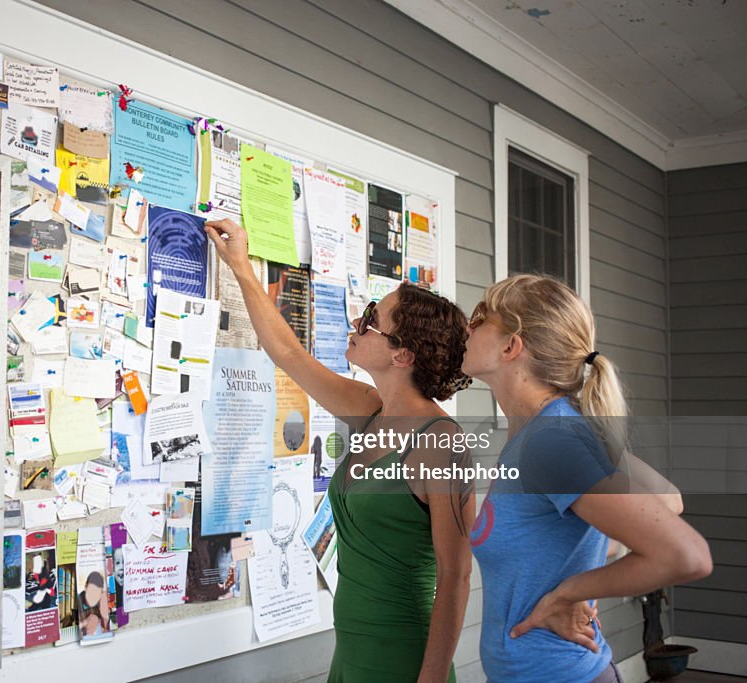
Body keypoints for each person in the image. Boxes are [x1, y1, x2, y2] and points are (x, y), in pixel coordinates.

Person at [206, 218, 475, 683]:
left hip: (403, 658)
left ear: (402, 356)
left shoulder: (441, 444)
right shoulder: (370, 409)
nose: (358, 322)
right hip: (348, 651)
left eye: (372, 320)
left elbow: (456, 578)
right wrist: (241, 267)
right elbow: (289, 354)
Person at [462, 274, 712, 683]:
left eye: (479, 318)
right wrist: (591, 559)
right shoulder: (552, 429)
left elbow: (686, 554)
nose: (467, 329)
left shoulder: (552, 442)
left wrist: (570, 591)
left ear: (511, 345)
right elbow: (667, 498)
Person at [78, 571, 109, 636]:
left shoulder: (101, 602)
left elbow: (106, 624)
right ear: (85, 588)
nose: (93, 597)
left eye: (97, 593)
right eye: (91, 591)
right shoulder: (78, 600)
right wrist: (86, 622)